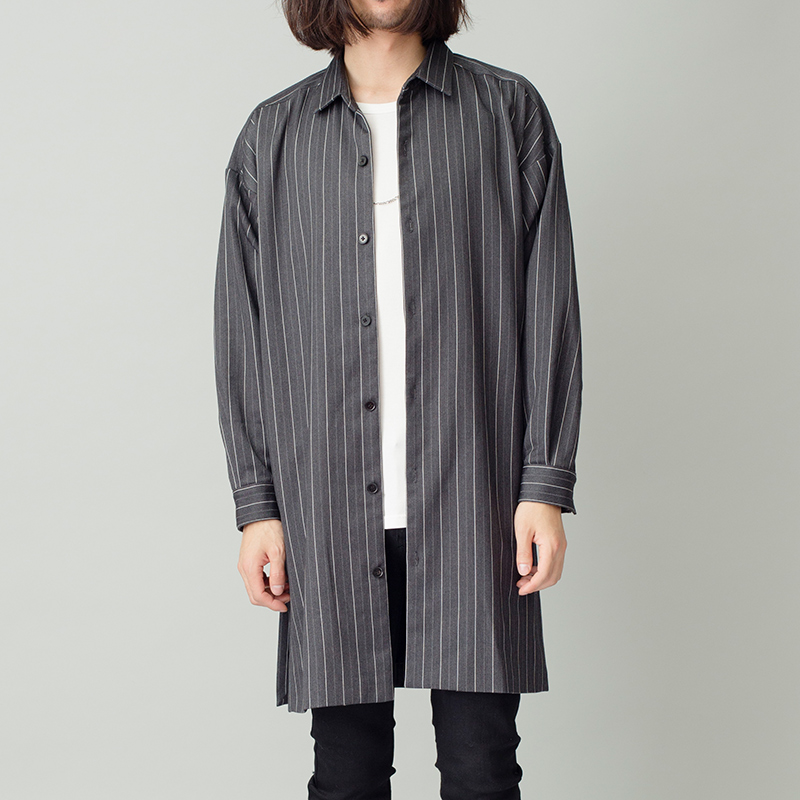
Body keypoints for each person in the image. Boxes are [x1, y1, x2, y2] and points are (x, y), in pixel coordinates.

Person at [213, 0, 582, 797]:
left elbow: (549, 304)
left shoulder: (506, 112)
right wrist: (258, 506)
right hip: (327, 509)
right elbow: (242, 332)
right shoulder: (272, 136)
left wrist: (543, 483)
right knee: (344, 775)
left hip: (477, 500)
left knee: (483, 768)